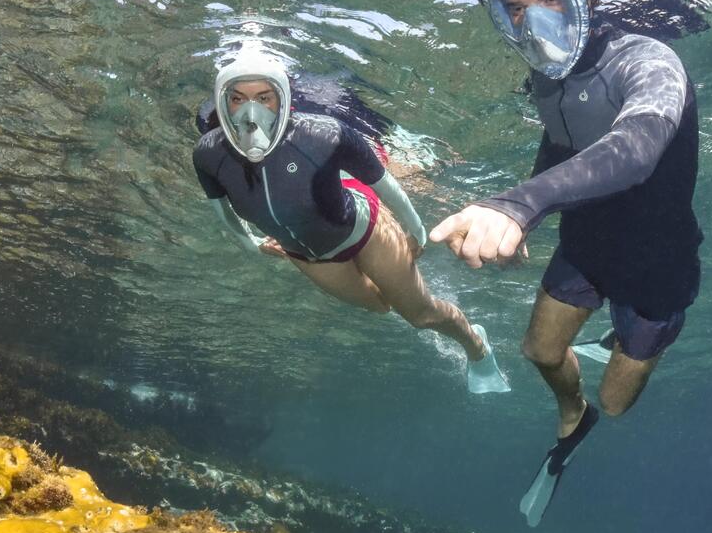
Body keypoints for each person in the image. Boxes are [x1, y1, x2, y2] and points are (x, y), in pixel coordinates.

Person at [427, 0, 702, 524]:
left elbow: (636, 149)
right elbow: (562, 143)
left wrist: (519, 204)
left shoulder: (645, 58)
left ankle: (631, 342)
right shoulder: (545, 82)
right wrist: (529, 211)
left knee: (619, 400)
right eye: (517, 6)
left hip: (659, 267)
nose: (534, 18)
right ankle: (575, 422)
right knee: (539, 352)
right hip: (586, 243)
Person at [195, 40, 510, 395]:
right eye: (237, 99)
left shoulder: (324, 134)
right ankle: (410, 296)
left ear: (282, 99)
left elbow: (388, 186)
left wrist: (415, 232)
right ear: (223, 102)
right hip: (310, 256)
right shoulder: (208, 154)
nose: (250, 113)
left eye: (264, 97)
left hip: (367, 229)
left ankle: (478, 349)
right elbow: (222, 211)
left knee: (421, 316)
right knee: (379, 306)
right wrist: (253, 245)